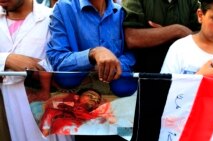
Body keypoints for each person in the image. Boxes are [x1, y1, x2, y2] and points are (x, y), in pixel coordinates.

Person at [46, 0, 134, 140]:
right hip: (79, 120)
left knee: (124, 136)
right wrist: (92, 54)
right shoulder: (63, 8)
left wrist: (115, 65)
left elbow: (133, 54)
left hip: (121, 111)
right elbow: (58, 60)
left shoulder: (121, 12)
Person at [160, 0, 213, 140]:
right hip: (179, 125)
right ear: (200, 15)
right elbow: (162, 91)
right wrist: (199, 78)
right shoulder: (180, 49)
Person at [0, 0, 74, 140]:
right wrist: (7, 59)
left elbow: (64, 58)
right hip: (8, 104)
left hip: (48, 102)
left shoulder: (52, 16)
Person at [122, 0, 201, 73]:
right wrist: (177, 30)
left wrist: (162, 34)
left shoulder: (191, 2)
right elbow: (132, 38)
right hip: (145, 75)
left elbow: (205, 35)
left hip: (183, 74)